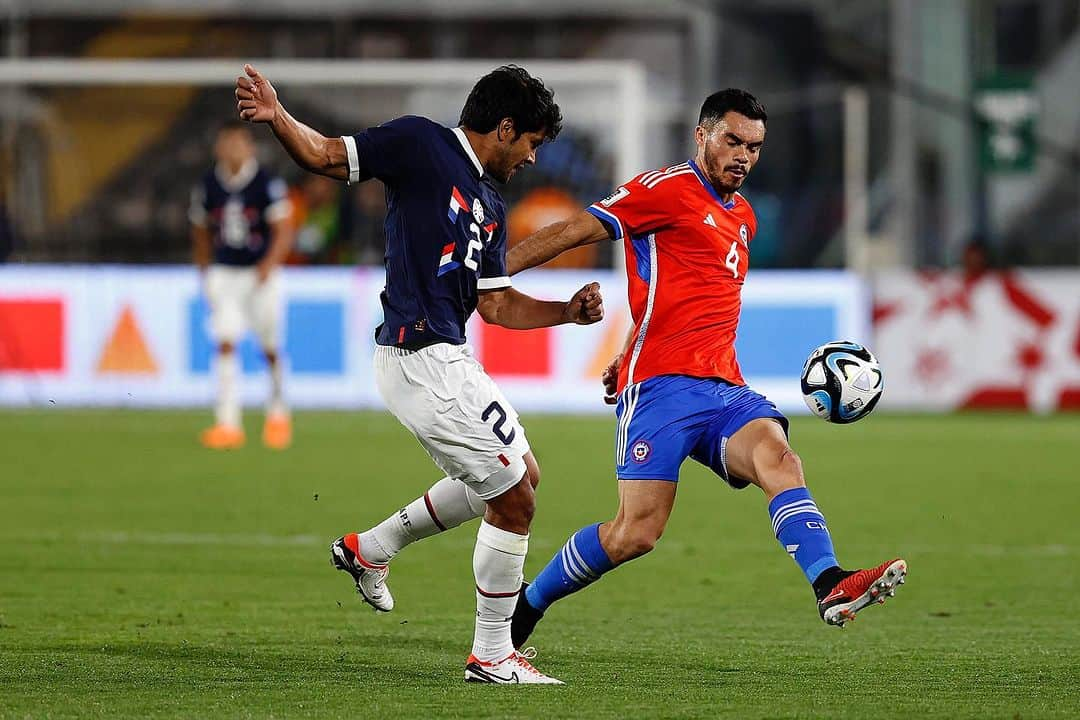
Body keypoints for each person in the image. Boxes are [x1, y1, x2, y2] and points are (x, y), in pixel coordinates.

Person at [504, 89, 908, 657]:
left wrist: (623, 346)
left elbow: (680, 292)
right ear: (703, 135)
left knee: (781, 459)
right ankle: (526, 607)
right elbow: (575, 230)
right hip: (660, 391)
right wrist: (493, 272)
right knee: (635, 534)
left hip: (724, 389)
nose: (744, 156)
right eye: (733, 141)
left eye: (755, 147)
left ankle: (828, 583)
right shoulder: (662, 190)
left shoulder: (745, 217)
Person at [235, 63, 603, 684]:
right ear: (506, 127)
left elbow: (495, 302)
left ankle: (368, 551)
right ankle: (491, 655)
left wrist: (564, 313)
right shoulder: (422, 143)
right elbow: (326, 155)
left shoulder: (489, 202)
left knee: (523, 478)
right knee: (512, 499)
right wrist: (278, 118)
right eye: (533, 144)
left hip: (451, 357)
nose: (534, 160)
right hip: (417, 357)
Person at [190, 120, 293, 450]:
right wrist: (205, 269)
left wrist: (269, 264)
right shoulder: (208, 185)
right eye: (226, 143)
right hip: (225, 274)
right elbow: (201, 229)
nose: (232, 149)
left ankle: (278, 413)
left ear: (249, 147)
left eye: (238, 143)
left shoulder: (265, 183)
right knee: (225, 342)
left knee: (270, 348)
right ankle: (227, 422)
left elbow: (284, 228)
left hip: (259, 274)